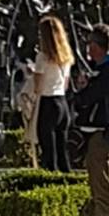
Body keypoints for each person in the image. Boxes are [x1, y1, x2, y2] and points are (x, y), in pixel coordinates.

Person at [70, 25, 109, 216]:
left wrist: (83, 89)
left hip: (101, 133)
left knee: (104, 188)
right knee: (97, 187)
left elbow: (88, 98)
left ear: (97, 46)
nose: (88, 49)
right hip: (96, 133)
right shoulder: (105, 67)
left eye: (90, 44)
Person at [32, 15, 73, 172]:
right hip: (62, 101)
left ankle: (50, 178)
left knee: (48, 150)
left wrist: (32, 74)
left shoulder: (42, 57)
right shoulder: (66, 58)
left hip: (48, 102)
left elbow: (38, 86)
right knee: (62, 148)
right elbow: (66, 83)